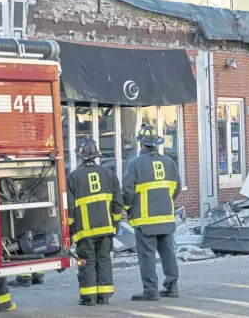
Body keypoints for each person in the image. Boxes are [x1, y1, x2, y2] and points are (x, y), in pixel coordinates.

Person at [122, 124, 181, 301]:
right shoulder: (169, 162)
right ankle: (172, 287)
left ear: (141, 143)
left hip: (145, 220)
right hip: (166, 217)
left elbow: (127, 191)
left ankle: (150, 290)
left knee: (147, 255)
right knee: (168, 252)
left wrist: (128, 208)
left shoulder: (134, 164)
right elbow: (176, 188)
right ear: (156, 143)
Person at [67, 137, 123, 306]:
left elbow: (70, 208)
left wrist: (70, 229)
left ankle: (88, 297)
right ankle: (105, 296)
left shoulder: (74, 176)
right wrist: (114, 224)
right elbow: (118, 203)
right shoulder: (109, 173)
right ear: (96, 155)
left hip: (84, 230)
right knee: (104, 259)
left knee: (86, 260)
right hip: (106, 228)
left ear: (80, 156)